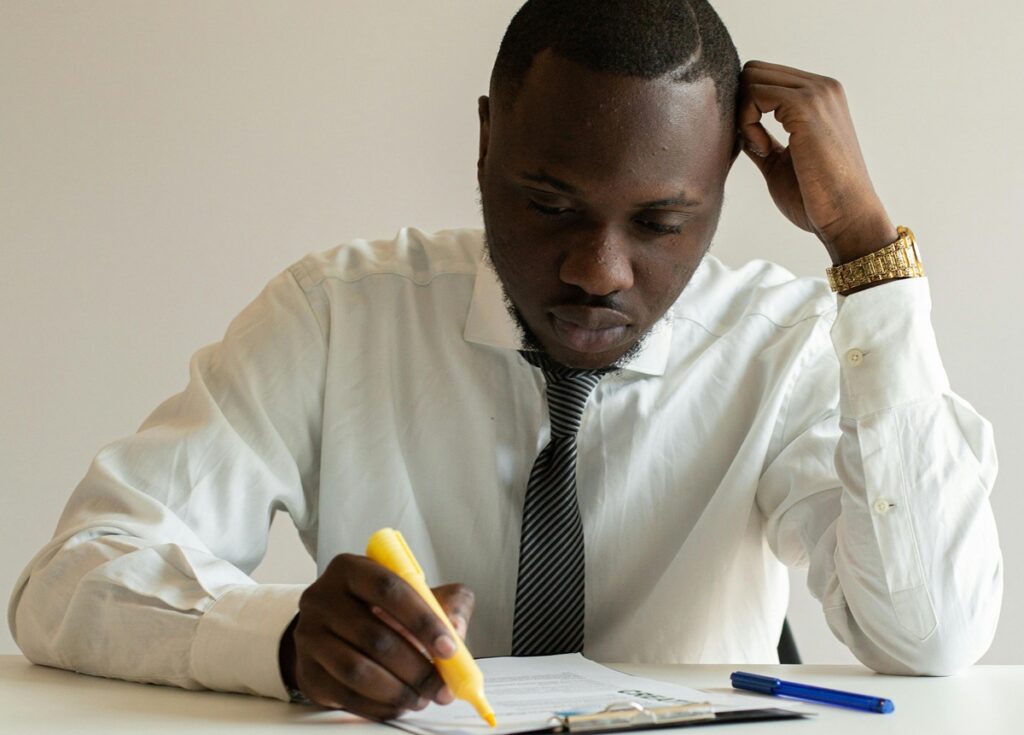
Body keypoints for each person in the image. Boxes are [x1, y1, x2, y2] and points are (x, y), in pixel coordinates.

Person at [9, 0, 1002, 723]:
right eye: (551, 204)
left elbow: (933, 637)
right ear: (486, 141)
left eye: (661, 222)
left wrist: (865, 251)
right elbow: (70, 580)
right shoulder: (336, 316)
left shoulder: (786, 346)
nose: (597, 271)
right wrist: (279, 640)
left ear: (720, 188)